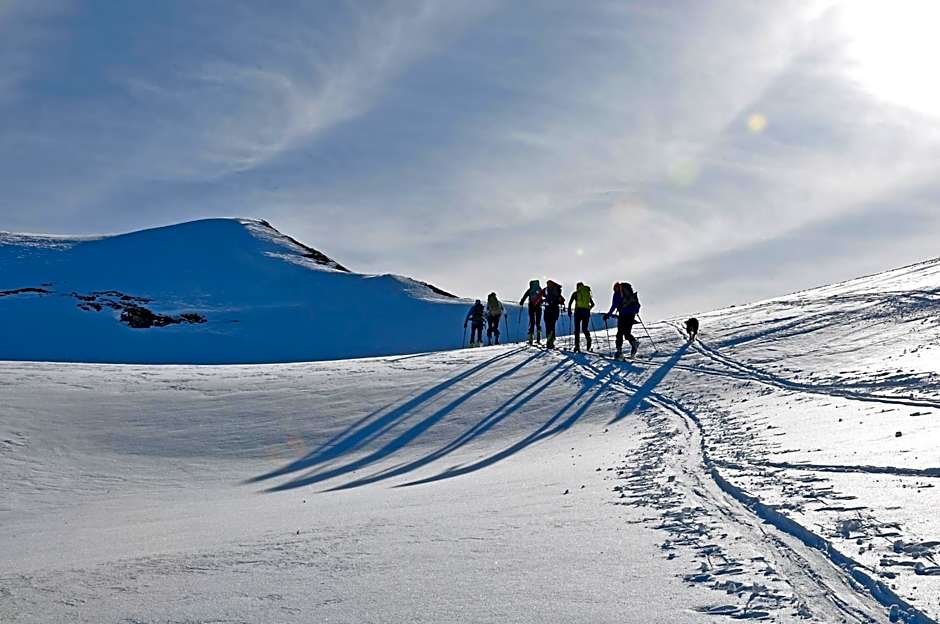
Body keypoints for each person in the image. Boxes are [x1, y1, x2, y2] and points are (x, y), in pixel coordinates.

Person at [603, 282, 640, 359]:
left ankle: (619, 351)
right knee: (627, 332)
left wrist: (608, 315)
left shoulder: (617, 293)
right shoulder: (629, 292)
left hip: (623, 314)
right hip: (631, 314)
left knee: (620, 333)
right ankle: (634, 343)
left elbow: (614, 305)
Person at [567, 282, 594, 353]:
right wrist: (588, 309)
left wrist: (569, 311)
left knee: (577, 329)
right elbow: (593, 304)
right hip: (586, 313)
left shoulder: (575, 293)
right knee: (585, 328)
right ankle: (588, 339)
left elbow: (570, 303)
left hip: (578, 312)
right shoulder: (587, 293)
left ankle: (577, 346)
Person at [541, 280, 565, 349]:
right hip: (555, 311)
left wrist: (543, 300)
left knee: (548, 327)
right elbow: (563, 300)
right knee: (552, 326)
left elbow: (543, 297)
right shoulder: (557, 291)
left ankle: (549, 342)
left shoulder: (547, 291)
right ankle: (551, 341)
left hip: (547, 310)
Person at [519, 279, 543, 345]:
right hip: (538, 307)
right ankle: (538, 338)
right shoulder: (539, 289)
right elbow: (543, 296)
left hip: (531, 306)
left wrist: (521, 302)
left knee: (532, 322)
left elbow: (525, 296)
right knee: (538, 323)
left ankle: (530, 339)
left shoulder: (530, 290)